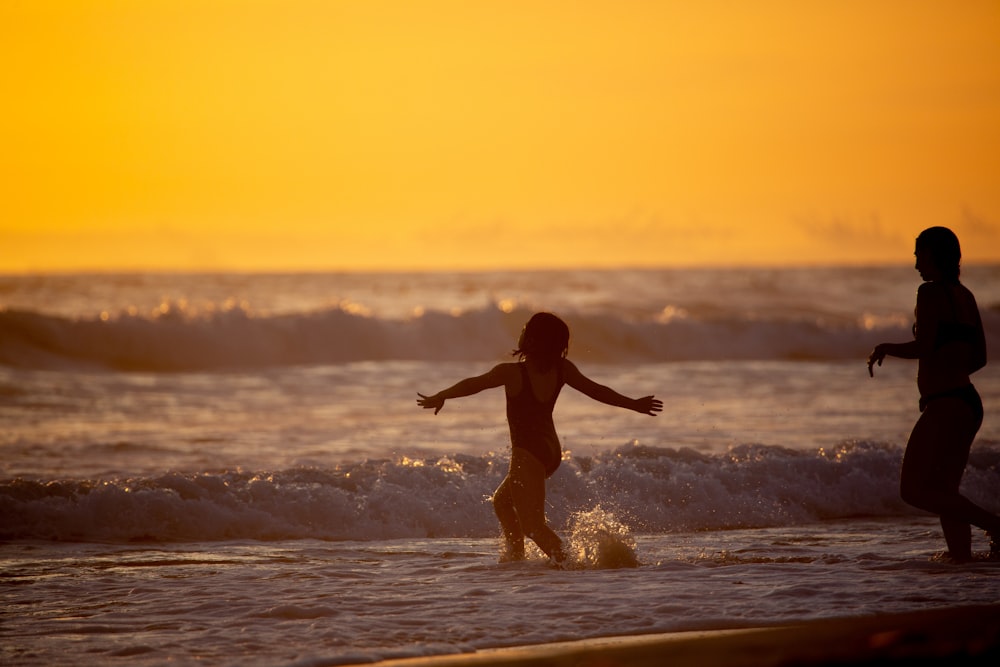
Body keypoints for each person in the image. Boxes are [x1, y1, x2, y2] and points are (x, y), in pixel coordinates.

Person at [417, 312, 662, 564]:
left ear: (532, 340)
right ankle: (515, 558)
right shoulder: (563, 369)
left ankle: (569, 565)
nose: (521, 332)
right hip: (550, 450)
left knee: (532, 527)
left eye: (525, 329)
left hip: (527, 451)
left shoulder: (512, 373)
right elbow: (596, 390)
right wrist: (633, 404)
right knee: (502, 502)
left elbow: (474, 384)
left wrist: (442, 395)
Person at [868, 226, 998, 561]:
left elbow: (924, 345)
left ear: (934, 254)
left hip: (945, 405)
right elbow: (981, 358)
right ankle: (961, 562)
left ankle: (995, 525)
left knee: (912, 490)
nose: (916, 265)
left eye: (919, 255)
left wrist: (887, 347)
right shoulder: (965, 295)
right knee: (945, 493)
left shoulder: (928, 294)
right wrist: (951, 370)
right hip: (967, 402)